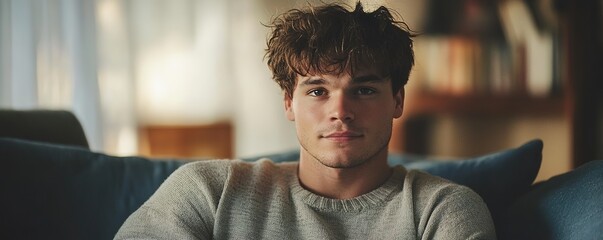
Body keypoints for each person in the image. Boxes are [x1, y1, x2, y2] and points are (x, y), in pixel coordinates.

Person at [115, 2, 496, 239]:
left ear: (397, 100)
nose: (340, 111)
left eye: (363, 90)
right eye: (317, 91)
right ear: (288, 103)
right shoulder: (209, 192)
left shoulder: (443, 211)